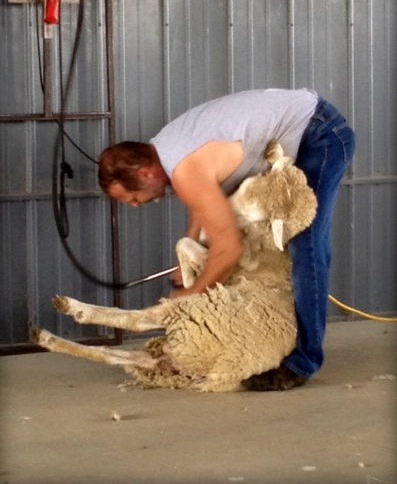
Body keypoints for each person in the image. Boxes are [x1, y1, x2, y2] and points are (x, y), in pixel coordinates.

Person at [98, 88, 355, 391]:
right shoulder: (167, 148)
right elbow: (205, 199)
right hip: (311, 123)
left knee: (306, 242)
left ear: (144, 173)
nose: (135, 205)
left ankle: (303, 362)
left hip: (321, 134)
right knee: (256, 243)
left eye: (131, 197)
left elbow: (229, 248)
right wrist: (191, 245)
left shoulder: (183, 170)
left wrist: (191, 294)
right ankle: (279, 344)